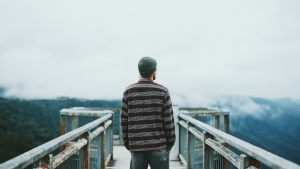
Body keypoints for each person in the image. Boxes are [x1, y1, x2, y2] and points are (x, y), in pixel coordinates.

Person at [121, 56, 176, 169]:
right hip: (159, 147)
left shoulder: (128, 91)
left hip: (136, 147)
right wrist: (167, 146)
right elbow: (168, 122)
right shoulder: (162, 91)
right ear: (153, 70)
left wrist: (130, 144)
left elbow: (124, 122)